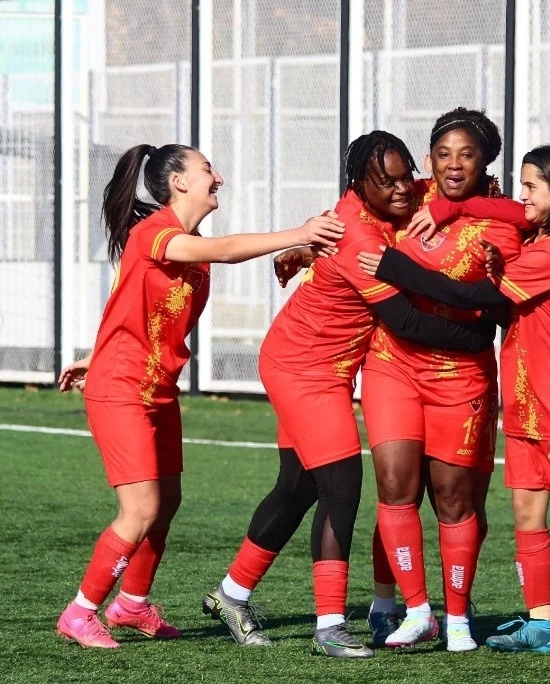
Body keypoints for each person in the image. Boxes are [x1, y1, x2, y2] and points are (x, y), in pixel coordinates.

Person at [201, 131, 496, 659]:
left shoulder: (393, 199)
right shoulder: (357, 233)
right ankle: (330, 626)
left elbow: (447, 190)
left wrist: (483, 198)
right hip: (304, 368)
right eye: (387, 181)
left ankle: (231, 595)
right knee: (341, 484)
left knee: (297, 488)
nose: (403, 189)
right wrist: (477, 335)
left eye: (406, 176)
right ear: (359, 185)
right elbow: (405, 321)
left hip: (324, 366)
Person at [357, 144, 550, 659]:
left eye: (533, 187)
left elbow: (477, 298)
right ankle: (541, 624)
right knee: (526, 514)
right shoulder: (535, 241)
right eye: (521, 184)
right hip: (524, 403)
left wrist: (397, 267)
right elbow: (501, 224)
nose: (523, 197)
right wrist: (452, 211)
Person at [55, 143, 345, 649]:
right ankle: (80, 611)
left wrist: (94, 352)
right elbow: (228, 249)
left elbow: (127, 300)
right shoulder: (155, 233)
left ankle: (132, 605)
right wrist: (300, 234)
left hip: (157, 389)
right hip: (122, 389)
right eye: (208, 169)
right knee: (140, 509)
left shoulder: (189, 249)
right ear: (179, 182)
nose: (219, 178)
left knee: (166, 503)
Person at [359, 108, 527, 652]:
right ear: (428, 157)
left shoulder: (505, 225)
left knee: (455, 501)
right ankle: (412, 610)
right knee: (395, 486)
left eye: (467, 155)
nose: (453, 165)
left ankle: (457, 616)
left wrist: (404, 268)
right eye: (442, 154)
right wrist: (306, 246)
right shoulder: (411, 195)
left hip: (460, 375)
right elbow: (356, 214)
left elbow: (496, 303)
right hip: (393, 364)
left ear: (485, 162)